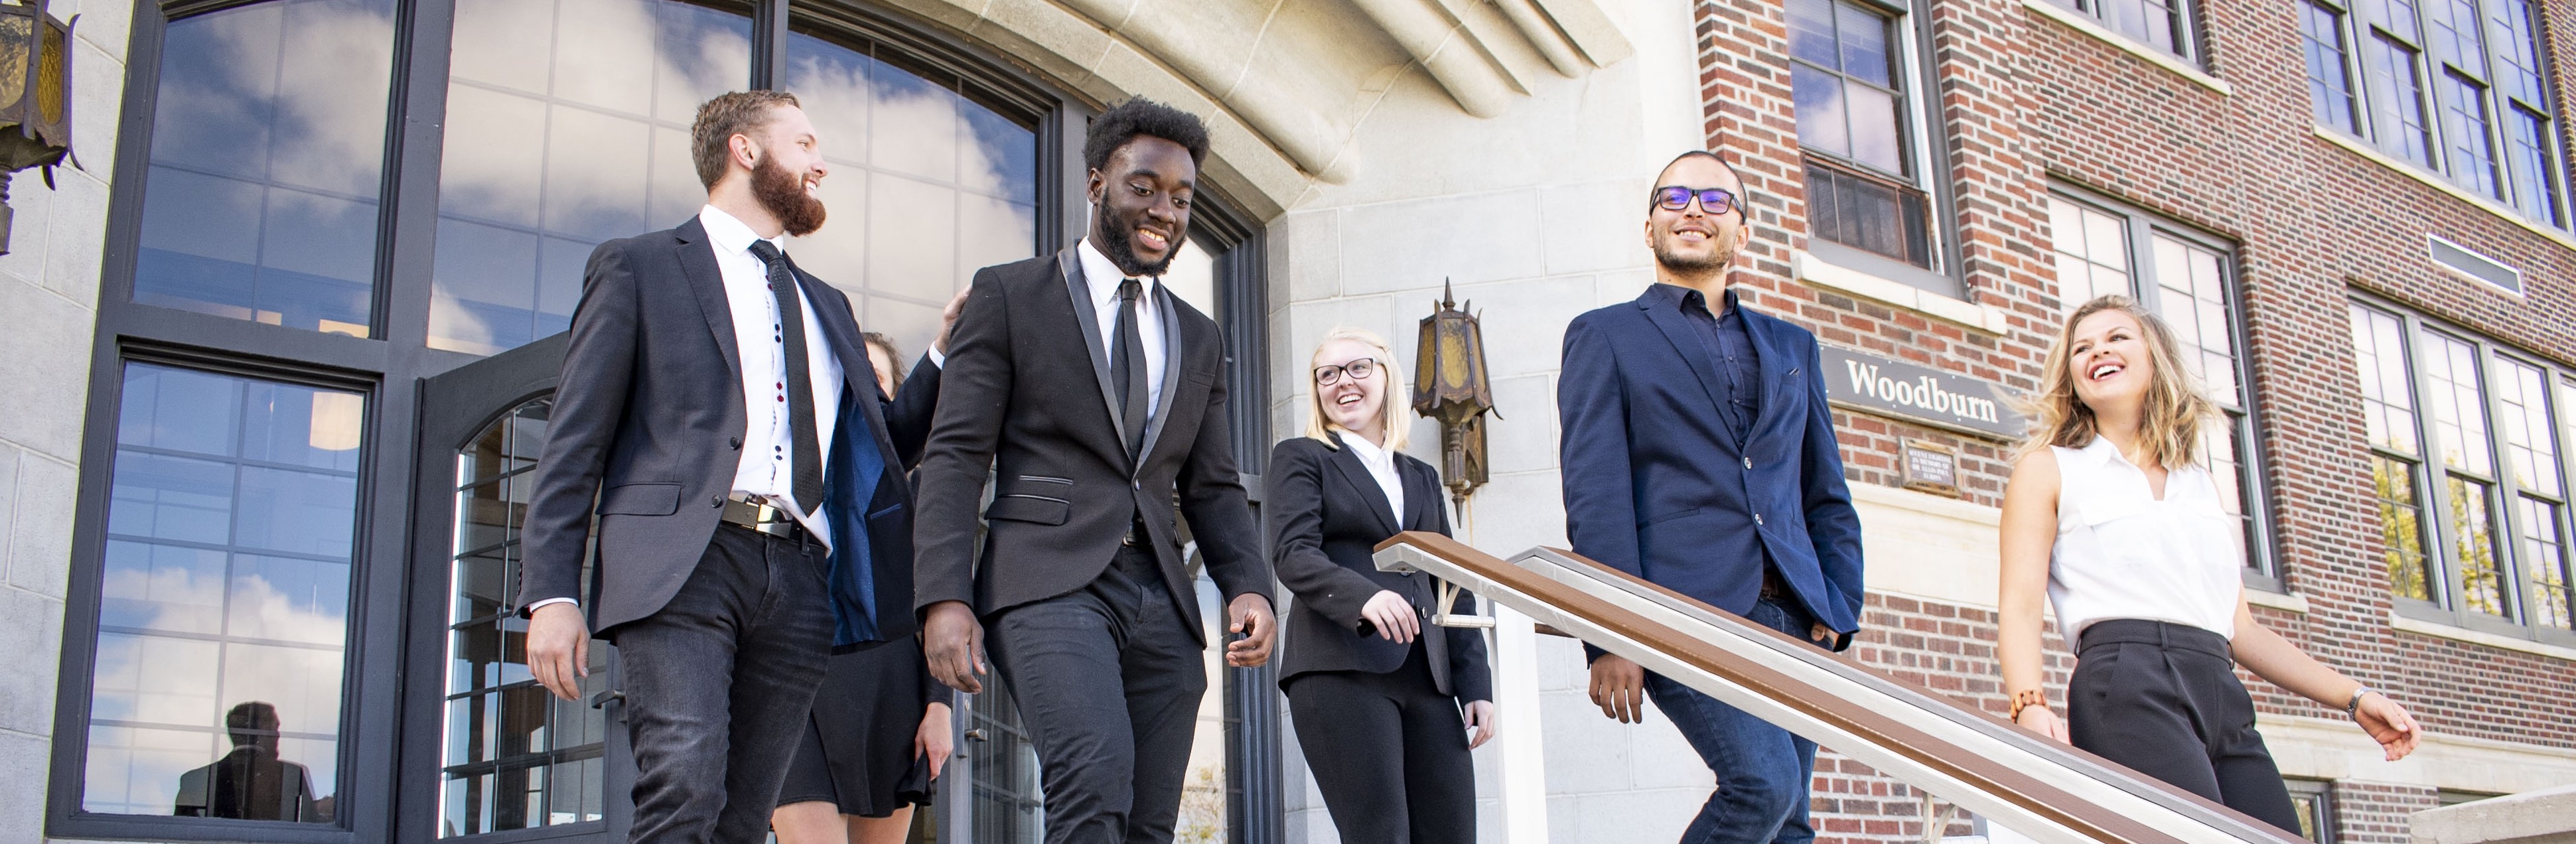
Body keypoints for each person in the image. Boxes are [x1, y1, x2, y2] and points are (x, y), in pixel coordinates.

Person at [514, 90, 946, 844]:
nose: (822, 163)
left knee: (744, 818)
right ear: (745, 150)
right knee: (683, 783)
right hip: (687, 563)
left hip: (802, 581)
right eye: (805, 143)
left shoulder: (828, 304)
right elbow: (575, 439)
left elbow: (882, 449)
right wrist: (550, 591)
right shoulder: (639, 267)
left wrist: (945, 353)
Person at [912, 97, 1276, 844]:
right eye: (1143, 187)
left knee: (1147, 824)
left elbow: (1210, 484)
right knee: (1094, 781)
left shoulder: (1199, 336)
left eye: (1182, 198)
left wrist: (1249, 584)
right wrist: (944, 597)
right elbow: (954, 455)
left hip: (1159, 598)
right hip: (1045, 581)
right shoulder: (1009, 295)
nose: (1164, 211)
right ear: (1095, 183)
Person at [1997, 295, 2421, 832]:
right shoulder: (2050, 468)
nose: (2097, 351)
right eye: (2081, 348)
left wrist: (2354, 698)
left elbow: (2241, 629)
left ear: (2156, 358)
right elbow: (2018, 604)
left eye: (2116, 338)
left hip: (2220, 686)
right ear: (2072, 376)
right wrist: (2028, 704)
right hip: (2126, 680)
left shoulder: (2197, 484)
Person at [1557, 150, 1863, 844]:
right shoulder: (1605, 335)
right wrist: (1611, 635)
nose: (1694, 210)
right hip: (1683, 610)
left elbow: (1826, 493)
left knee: (1791, 826)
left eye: (1716, 200)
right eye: (1675, 197)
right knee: (1762, 788)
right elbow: (1596, 493)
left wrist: (1839, 604)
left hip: (1796, 615)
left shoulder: (1794, 346)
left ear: (1742, 233)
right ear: (1649, 228)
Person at [1267, 326, 1496, 844]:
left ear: (1386, 378)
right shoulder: (1303, 457)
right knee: (1381, 835)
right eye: (1328, 374)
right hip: (1341, 666)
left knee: (1453, 833)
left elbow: (1450, 578)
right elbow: (1293, 554)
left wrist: (1475, 684)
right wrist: (1364, 597)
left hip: (1427, 676)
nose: (1342, 383)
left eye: (1358, 368)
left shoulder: (1419, 476)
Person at [772, 331, 964, 843]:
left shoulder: (917, 486)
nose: (864, 387)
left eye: (878, 379)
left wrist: (940, 705)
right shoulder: (784, 473)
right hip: (797, 681)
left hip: (891, 687)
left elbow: (935, 598)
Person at [173, 702, 319, 822]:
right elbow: (311, 830)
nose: (278, 735)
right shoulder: (292, 775)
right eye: (276, 728)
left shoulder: (194, 780)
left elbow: (180, 836)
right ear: (263, 731)